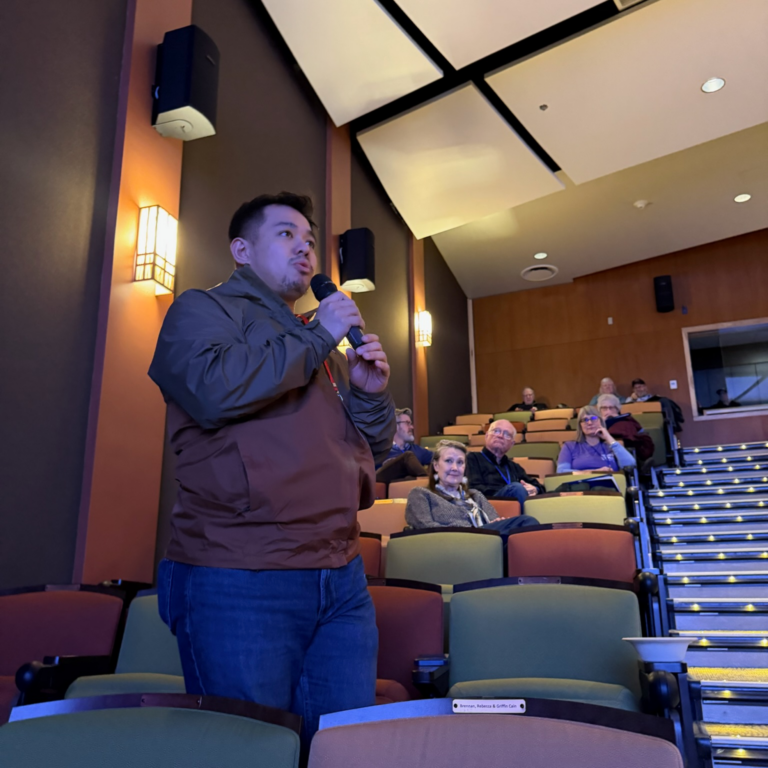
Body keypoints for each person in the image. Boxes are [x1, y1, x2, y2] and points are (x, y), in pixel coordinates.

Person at [148, 193, 395, 745]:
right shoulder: (201, 309)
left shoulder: (317, 342)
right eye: (287, 235)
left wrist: (370, 396)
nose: (306, 248)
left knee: (339, 748)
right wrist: (318, 335)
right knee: (249, 753)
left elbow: (369, 451)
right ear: (241, 249)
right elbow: (213, 391)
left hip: (341, 574)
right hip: (240, 573)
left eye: (310, 240)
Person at [406, 440, 539, 532]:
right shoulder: (421, 494)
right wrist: (468, 531)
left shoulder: (475, 495)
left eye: (460, 462)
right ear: (435, 465)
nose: (454, 468)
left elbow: (494, 522)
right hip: (452, 542)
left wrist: (498, 523)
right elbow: (425, 527)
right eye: (448, 461)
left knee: (521, 535)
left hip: (487, 542)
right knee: (526, 522)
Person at [465, 420, 545, 511]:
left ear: (512, 444)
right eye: (496, 431)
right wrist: (508, 490)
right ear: (486, 435)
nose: (500, 436)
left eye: (507, 434)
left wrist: (535, 489)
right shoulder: (472, 458)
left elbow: (538, 485)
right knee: (517, 488)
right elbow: (473, 489)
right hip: (484, 508)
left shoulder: (514, 467)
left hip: (514, 509)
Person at [558, 406, 636, 472]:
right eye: (585, 420)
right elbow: (561, 471)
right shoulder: (569, 446)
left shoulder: (611, 445)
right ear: (580, 426)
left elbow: (630, 464)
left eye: (593, 418)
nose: (589, 423)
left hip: (609, 487)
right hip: (581, 486)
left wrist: (608, 437)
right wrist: (595, 472)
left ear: (601, 421)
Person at [375, 407, 432, 483]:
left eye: (411, 423)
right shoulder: (380, 450)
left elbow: (438, 457)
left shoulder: (417, 449)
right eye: (407, 423)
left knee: (409, 478)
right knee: (407, 456)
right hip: (386, 488)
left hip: (409, 488)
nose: (412, 427)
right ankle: (429, 485)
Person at [597, 394, 654, 463]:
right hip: (603, 445)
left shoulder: (626, 419)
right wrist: (603, 423)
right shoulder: (597, 422)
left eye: (611, 408)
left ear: (617, 409)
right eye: (604, 408)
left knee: (620, 441)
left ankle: (633, 466)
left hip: (627, 442)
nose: (608, 411)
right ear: (600, 410)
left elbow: (639, 432)